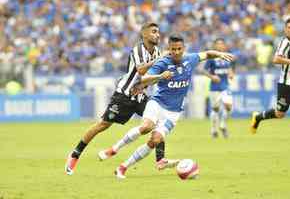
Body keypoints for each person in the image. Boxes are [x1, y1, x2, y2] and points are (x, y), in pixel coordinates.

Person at [103, 33, 234, 179]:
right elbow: (144, 78)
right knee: (146, 126)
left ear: (184, 48)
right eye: (173, 49)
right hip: (157, 103)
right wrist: (160, 76)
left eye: (179, 49)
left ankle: (122, 167)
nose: (176, 52)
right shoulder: (163, 62)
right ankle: (115, 148)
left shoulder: (190, 59)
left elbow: (207, 54)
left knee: (155, 140)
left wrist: (220, 54)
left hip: (173, 112)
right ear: (169, 49)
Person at [65, 22, 175, 175]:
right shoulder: (138, 50)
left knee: (157, 122)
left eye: (158, 32)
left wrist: (154, 81)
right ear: (144, 34)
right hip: (124, 94)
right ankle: (75, 154)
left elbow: (152, 77)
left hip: (140, 95)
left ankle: (160, 159)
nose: (157, 35)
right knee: (103, 125)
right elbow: (141, 69)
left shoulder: (157, 52)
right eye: (153, 32)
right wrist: (159, 61)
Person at [250, 17, 290, 137]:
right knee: (280, 114)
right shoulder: (285, 43)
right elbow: (276, 59)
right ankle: (258, 117)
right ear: (285, 30)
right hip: (286, 85)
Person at [203, 38, 234, 138]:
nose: (220, 46)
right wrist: (212, 77)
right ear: (215, 46)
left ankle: (222, 125)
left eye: (222, 44)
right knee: (215, 109)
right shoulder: (211, 58)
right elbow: (203, 70)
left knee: (228, 106)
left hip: (225, 86)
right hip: (214, 87)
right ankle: (213, 130)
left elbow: (229, 68)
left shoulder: (227, 56)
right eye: (218, 44)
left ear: (224, 46)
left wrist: (230, 73)